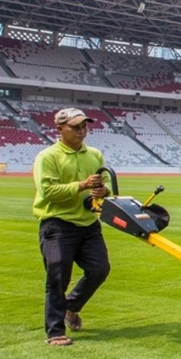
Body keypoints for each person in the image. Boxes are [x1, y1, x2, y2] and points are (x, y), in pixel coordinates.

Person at [32, 107, 111, 346]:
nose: (81, 131)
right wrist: (83, 185)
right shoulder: (48, 157)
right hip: (57, 225)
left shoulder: (94, 154)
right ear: (59, 129)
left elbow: (107, 184)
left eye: (84, 126)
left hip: (88, 224)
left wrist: (102, 190)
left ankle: (71, 306)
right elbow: (49, 192)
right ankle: (55, 331)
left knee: (100, 269)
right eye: (75, 127)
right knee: (57, 278)